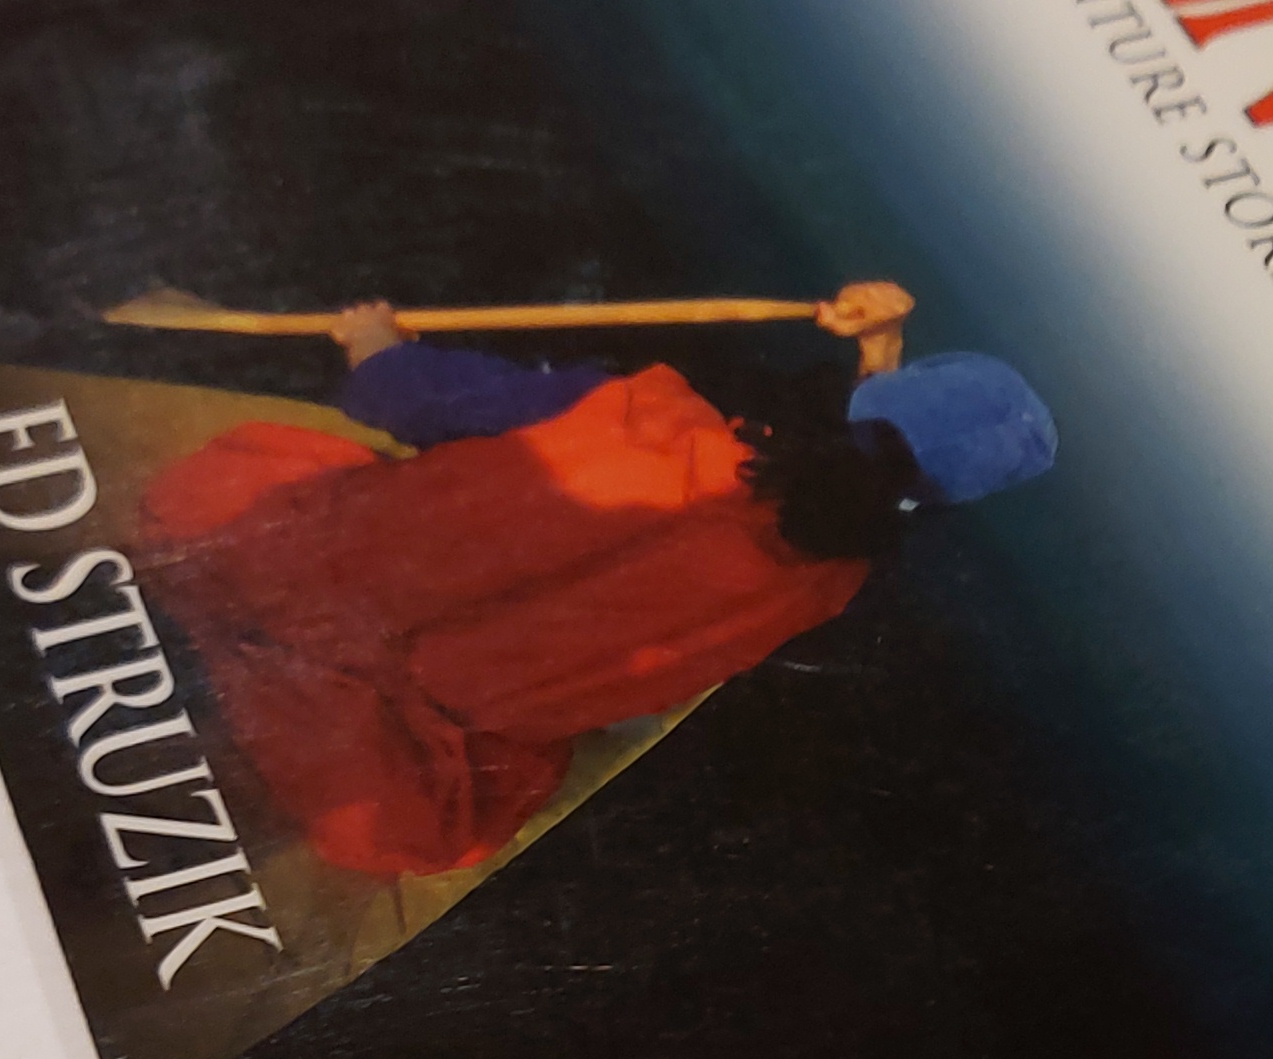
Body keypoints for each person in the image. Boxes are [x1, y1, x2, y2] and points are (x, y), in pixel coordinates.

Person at [136, 294, 1058, 877]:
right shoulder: (828, 590)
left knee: (254, 484)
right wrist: (881, 353)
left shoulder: (651, 413)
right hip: (381, 754)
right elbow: (851, 486)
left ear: (860, 408)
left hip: (264, 575)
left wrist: (374, 339)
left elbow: (404, 398)